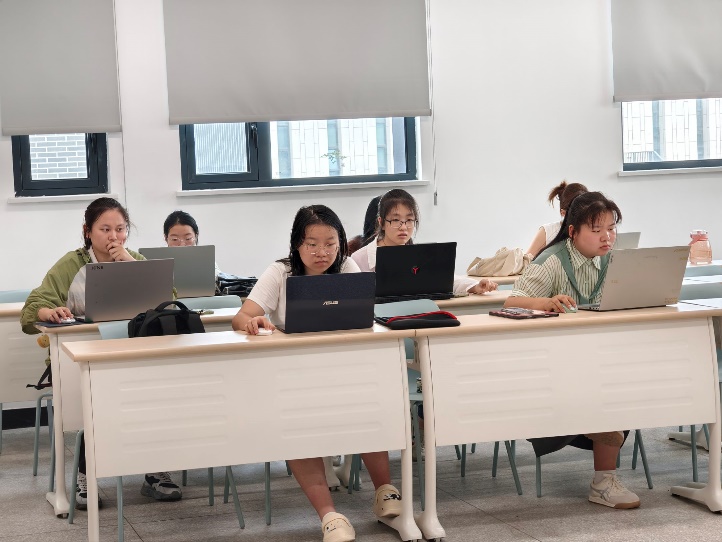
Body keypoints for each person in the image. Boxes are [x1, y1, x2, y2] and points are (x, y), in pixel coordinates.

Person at [232, 204, 402, 542]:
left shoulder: (347, 267)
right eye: (312, 244)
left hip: (344, 370)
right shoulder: (280, 272)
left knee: (371, 408)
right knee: (295, 425)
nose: (321, 253)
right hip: (293, 377)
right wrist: (253, 321)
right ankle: (330, 516)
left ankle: (385, 492)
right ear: (297, 243)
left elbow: (365, 316)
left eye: (330, 244)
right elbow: (241, 317)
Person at [20, 197, 183, 509]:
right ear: (88, 231)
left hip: (132, 353)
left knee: (155, 398)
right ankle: (84, 476)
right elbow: (31, 309)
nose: (114, 237)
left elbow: (169, 301)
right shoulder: (71, 264)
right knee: (91, 404)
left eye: (120, 229)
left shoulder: (135, 259)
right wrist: (48, 311)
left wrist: (131, 266)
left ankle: (155, 473)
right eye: (105, 229)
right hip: (81, 356)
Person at [504, 191, 639, 509]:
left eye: (611, 228)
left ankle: (603, 472)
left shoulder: (614, 261)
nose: (607, 237)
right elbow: (511, 302)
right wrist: (545, 302)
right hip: (552, 364)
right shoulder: (550, 262)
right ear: (573, 231)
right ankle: (603, 477)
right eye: (597, 229)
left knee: (619, 381)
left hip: (596, 356)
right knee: (603, 388)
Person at [351, 189, 498, 295]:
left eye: (409, 220)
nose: (404, 227)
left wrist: (475, 286)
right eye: (395, 220)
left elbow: (444, 280)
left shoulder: (418, 255)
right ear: (381, 222)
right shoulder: (359, 259)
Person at [526, 181, 589, 258]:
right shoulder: (548, 231)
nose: (582, 216)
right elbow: (527, 262)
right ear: (563, 213)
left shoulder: (594, 231)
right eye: (575, 212)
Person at [163, 210, 222, 276]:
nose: (182, 245)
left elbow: (218, 277)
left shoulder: (205, 258)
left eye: (188, 238)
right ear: (166, 238)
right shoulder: (159, 259)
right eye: (175, 239)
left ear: (196, 236)